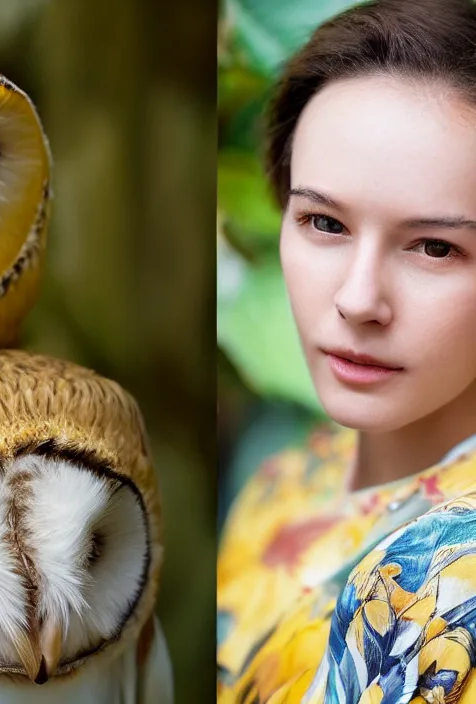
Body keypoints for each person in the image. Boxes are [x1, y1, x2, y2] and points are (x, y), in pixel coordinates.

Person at [217, 0, 476, 701]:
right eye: (323, 222)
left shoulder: (453, 580)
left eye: (435, 246)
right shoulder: (280, 483)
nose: (358, 299)